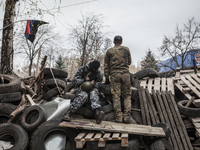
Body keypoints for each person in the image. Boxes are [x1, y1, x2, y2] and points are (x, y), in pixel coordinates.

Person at [104, 35, 136, 124]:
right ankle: (127, 117)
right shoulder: (126, 49)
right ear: (121, 42)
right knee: (127, 96)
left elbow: (106, 65)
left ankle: (118, 117)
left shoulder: (109, 51)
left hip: (114, 75)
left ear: (114, 42)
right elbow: (129, 62)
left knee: (116, 96)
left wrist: (106, 77)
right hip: (125, 75)